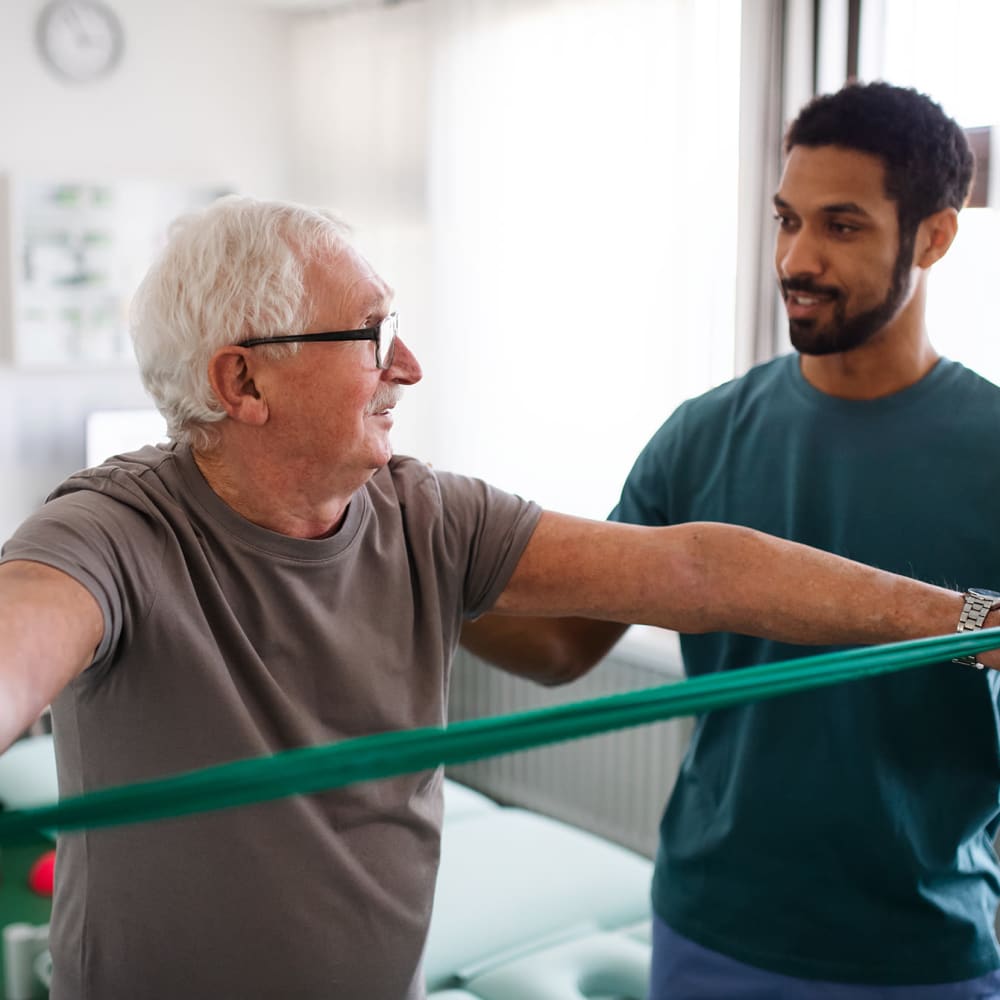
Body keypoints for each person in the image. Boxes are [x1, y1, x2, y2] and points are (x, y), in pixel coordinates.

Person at [0, 195, 996, 1000]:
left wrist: (963, 620)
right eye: (373, 334)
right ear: (244, 381)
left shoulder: (424, 511)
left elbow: (694, 569)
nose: (410, 366)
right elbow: (22, 634)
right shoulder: (110, 529)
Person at [462, 81, 1000, 997]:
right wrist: (407, 570)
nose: (796, 257)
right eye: (786, 220)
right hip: (714, 927)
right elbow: (560, 645)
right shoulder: (702, 433)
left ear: (935, 237)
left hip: (925, 947)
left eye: (841, 226)